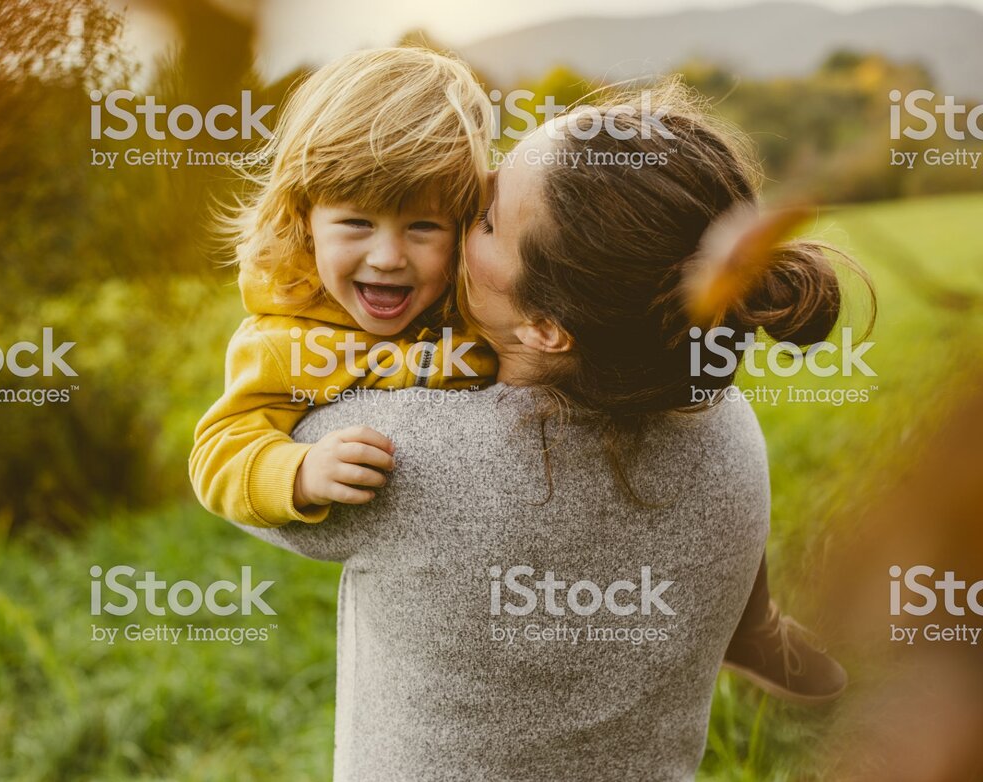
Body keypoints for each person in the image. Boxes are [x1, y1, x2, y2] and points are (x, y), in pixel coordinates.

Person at [232, 82, 869, 779]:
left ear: (544, 326)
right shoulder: (723, 421)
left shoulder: (395, 452)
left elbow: (249, 463)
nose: (456, 209)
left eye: (482, 220)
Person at [189, 47, 497, 529]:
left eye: (423, 227)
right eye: (357, 223)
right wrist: (299, 472)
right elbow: (218, 452)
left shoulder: (482, 304)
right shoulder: (282, 342)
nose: (388, 258)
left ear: (462, 227)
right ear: (303, 219)